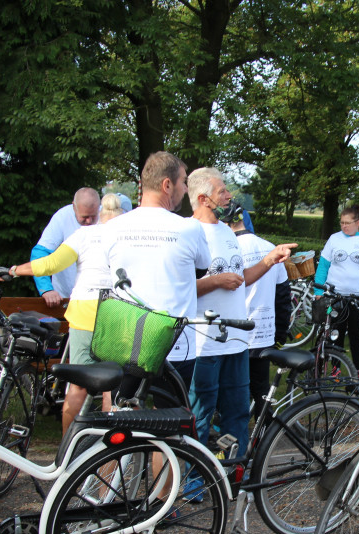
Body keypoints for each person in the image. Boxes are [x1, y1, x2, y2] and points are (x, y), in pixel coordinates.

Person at [0, 193, 125, 432]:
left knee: (78, 385)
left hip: (85, 312)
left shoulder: (84, 234)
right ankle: (109, 456)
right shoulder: (128, 237)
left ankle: (67, 448)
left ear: (100, 214)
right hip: (118, 314)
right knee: (112, 386)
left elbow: (49, 264)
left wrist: (13, 270)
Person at [188, 167, 294, 452]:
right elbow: (177, 287)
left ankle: (233, 475)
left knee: (236, 415)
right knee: (200, 416)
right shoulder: (188, 232)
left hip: (236, 341)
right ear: (202, 198)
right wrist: (215, 281)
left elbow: (241, 278)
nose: (228, 196)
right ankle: (194, 484)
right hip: (204, 343)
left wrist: (270, 260)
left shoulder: (226, 232)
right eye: (222, 191)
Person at [101, 152, 210, 389]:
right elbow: (201, 269)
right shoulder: (189, 228)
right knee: (172, 419)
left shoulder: (112, 227)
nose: (185, 189)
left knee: (122, 415)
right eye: (183, 182)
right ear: (167, 185)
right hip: (175, 345)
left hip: (125, 341)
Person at [230, 210, 292, 410]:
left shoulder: (228, 249)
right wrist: (279, 336)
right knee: (261, 394)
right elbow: (283, 297)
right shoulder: (270, 248)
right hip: (263, 334)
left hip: (234, 334)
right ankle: (264, 436)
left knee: (232, 393)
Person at [313, 204, 359, 373]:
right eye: (342, 222)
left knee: (356, 335)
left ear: (358, 222)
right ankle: (336, 368)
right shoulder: (334, 239)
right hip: (335, 296)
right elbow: (323, 266)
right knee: (335, 333)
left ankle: (357, 370)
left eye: (348, 223)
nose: (344, 226)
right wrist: (318, 291)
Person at [32, 188, 101, 308]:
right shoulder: (62, 217)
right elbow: (41, 252)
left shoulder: (108, 217)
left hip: (98, 300)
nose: (89, 221)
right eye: (84, 217)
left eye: (93, 216)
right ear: (74, 207)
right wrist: (46, 289)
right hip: (64, 298)